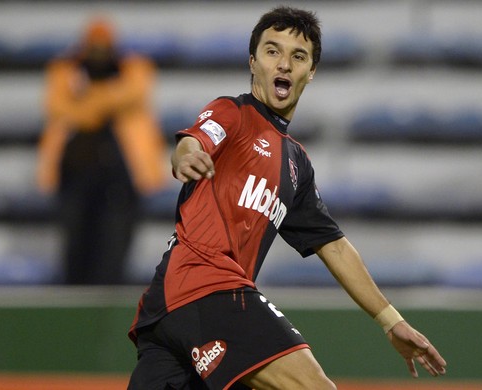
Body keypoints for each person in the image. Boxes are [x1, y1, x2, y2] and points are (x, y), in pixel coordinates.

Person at [128, 6, 446, 389]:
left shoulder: (295, 164)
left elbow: (335, 247)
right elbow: (195, 138)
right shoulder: (234, 112)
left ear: (311, 71)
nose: (283, 64)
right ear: (253, 61)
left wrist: (391, 321)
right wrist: (186, 155)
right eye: (272, 51)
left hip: (170, 308)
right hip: (206, 286)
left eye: (298, 56)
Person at [36, 18, 168, 285]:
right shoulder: (64, 70)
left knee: (114, 255)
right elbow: (57, 107)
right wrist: (104, 102)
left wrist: (87, 100)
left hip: (123, 179)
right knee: (75, 252)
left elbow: (133, 93)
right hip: (75, 179)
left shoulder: (133, 67)